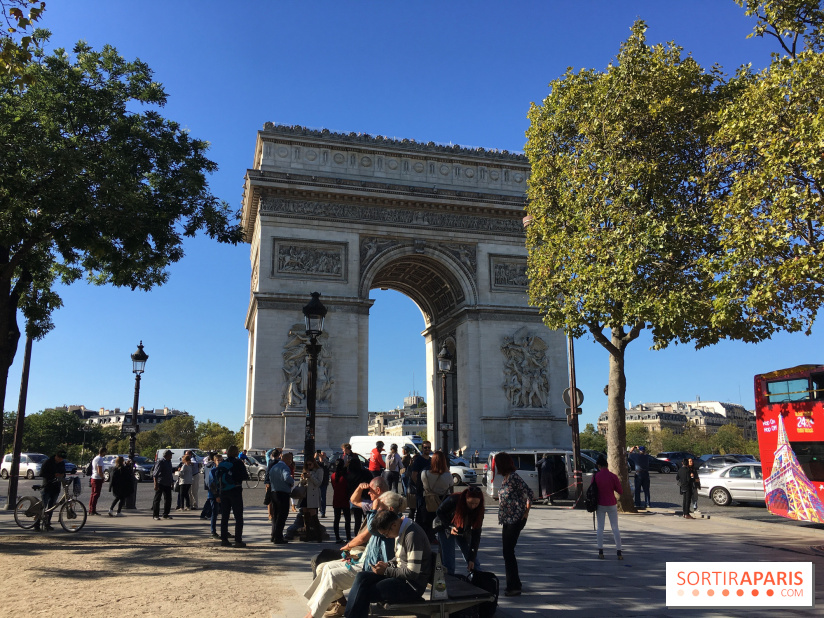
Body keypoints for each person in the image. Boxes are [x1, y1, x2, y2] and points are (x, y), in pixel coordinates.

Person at [302, 491, 405, 618]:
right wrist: (356, 558)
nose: (378, 509)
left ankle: (313, 614)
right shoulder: (388, 520)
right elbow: (372, 549)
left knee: (332, 575)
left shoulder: (390, 525)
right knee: (324, 567)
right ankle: (317, 609)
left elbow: (372, 528)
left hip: (374, 569)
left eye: (380, 507)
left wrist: (373, 511)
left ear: (390, 510)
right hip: (366, 562)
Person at [343, 509, 433, 617]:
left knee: (365, 592)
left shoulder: (412, 535)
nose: (386, 537)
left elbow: (413, 573)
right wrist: (387, 564)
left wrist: (386, 570)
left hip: (412, 586)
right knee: (362, 576)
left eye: (386, 534)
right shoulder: (402, 528)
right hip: (402, 579)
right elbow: (400, 557)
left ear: (394, 525)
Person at [495, 451, 533, 596]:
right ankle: (514, 583)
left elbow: (529, 493)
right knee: (507, 552)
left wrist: (526, 512)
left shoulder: (513, 478)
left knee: (508, 552)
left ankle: (514, 586)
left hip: (515, 519)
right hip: (507, 519)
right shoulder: (507, 478)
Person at [435, 486, 485, 575]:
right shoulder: (454, 499)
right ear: (465, 499)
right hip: (446, 527)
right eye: (470, 503)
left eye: (476, 503)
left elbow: (476, 536)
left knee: (473, 560)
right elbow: (439, 511)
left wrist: (471, 559)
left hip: (463, 530)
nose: (473, 506)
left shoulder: (479, 511)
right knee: (449, 561)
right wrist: (449, 526)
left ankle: (478, 578)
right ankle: (449, 581)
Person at [216, 444, 249, 547]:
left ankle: (224, 540)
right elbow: (245, 476)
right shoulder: (238, 463)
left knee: (224, 517)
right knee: (238, 517)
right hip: (235, 491)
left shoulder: (223, 463)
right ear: (236, 452)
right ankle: (238, 540)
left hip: (223, 491)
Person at [592, 454, 623, 559]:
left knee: (600, 528)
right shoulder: (613, 476)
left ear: (599, 466)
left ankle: (600, 551)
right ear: (607, 465)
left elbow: (592, 490)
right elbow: (620, 491)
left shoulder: (596, 476)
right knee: (615, 528)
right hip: (611, 503)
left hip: (600, 504)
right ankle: (619, 551)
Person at [420, 451, 453, 539]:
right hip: (443, 500)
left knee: (429, 522)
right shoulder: (447, 475)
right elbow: (451, 485)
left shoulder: (424, 474)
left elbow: (423, 485)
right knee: (442, 522)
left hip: (429, 500)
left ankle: (430, 539)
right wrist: (446, 469)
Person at [268, 451, 295, 544]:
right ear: (287, 459)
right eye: (290, 460)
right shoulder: (285, 467)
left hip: (274, 492)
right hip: (283, 494)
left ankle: (274, 535)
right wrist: (292, 482)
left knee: (275, 515)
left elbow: (270, 478)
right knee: (282, 516)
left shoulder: (274, 467)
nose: (291, 462)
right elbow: (287, 477)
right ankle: (278, 537)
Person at [38, 451, 66, 531]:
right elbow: (42, 473)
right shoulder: (48, 462)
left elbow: (64, 473)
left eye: (62, 459)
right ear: (56, 456)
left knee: (52, 506)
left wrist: (62, 475)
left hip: (56, 487)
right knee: (43, 505)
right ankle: (37, 524)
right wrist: (53, 475)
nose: (61, 460)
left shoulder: (62, 463)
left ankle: (48, 523)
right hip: (47, 486)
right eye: (60, 458)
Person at [301, 457, 325, 542]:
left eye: (310, 464)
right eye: (307, 465)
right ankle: (308, 535)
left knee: (313, 515)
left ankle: (318, 536)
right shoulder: (306, 470)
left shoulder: (319, 470)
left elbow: (318, 483)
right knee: (305, 516)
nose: (309, 466)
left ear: (314, 463)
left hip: (313, 495)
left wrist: (310, 476)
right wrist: (303, 478)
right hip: (305, 494)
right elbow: (302, 483)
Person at [409, 440, 432, 525]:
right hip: (421, 491)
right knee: (420, 512)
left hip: (430, 490)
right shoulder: (418, 460)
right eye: (425, 447)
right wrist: (419, 486)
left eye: (429, 447)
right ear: (422, 448)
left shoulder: (431, 460)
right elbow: (414, 475)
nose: (427, 449)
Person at [346, 456, 372, 533]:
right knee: (367, 520)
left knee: (357, 520)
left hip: (356, 498)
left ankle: (357, 534)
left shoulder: (349, 475)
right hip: (367, 498)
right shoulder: (366, 473)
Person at [331, 459, 352, 543]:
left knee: (337, 519)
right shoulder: (346, 475)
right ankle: (348, 537)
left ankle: (337, 537)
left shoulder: (333, 475)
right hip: (345, 498)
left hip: (336, 498)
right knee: (347, 519)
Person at [152, 449, 175, 520]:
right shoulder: (161, 461)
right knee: (157, 499)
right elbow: (155, 474)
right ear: (167, 455)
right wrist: (155, 484)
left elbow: (170, 473)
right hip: (160, 482)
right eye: (170, 455)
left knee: (168, 499)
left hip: (167, 482)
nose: (171, 456)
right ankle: (155, 515)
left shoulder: (169, 462)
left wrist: (172, 482)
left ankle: (166, 514)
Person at [205, 454, 222, 537]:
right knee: (214, 513)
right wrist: (216, 495)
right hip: (214, 495)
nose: (220, 462)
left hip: (222, 494)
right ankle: (213, 531)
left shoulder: (222, 470)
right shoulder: (213, 471)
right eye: (218, 460)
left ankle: (224, 530)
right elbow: (212, 484)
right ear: (215, 461)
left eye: (221, 460)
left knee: (223, 513)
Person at [88, 446, 107, 515]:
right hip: (97, 478)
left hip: (93, 477)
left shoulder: (95, 458)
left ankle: (91, 509)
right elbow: (99, 470)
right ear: (103, 452)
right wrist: (103, 477)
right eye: (105, 452)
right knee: (96, 494)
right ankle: (93, 510)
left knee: (93, 494)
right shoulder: (100, 459)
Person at [200, 452, 217, 520]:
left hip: (208, 483)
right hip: (213, 484)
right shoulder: (214, 465)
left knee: (210, 499)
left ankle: (207, 514)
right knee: (211, 500)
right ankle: (206, 514)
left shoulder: (207, 465)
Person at [316, 450, 330, 518]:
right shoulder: (316, 463)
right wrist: (315, 457)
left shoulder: (326, 462)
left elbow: (327, 465)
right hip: (316, 482)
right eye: (321, 454)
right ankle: (316, 511)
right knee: (315, 498)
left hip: (324, 482)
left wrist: (323, 458)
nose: (322, 455)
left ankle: (322, 512)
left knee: (322, 498)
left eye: (324, 454)